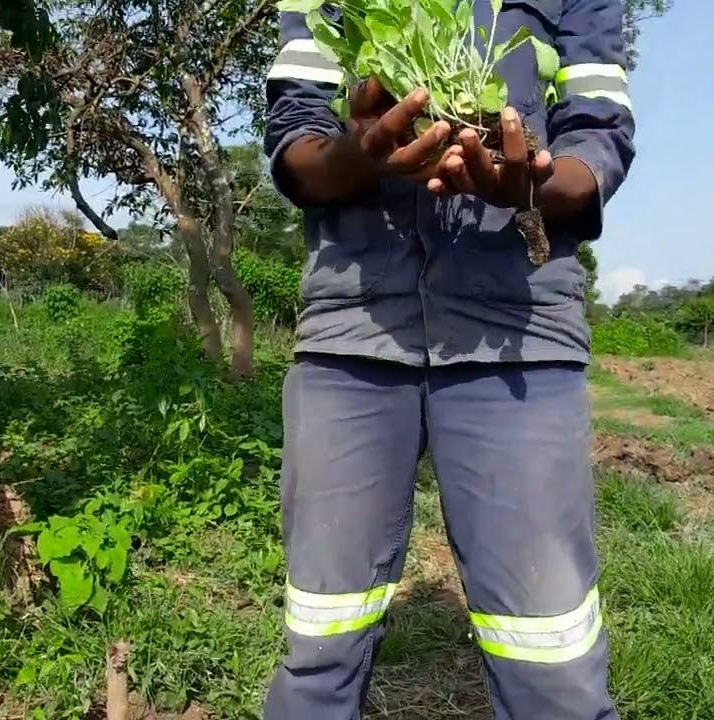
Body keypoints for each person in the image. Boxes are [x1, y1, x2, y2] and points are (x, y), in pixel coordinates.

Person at [261, 0, 635, 717]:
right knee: (320, 639)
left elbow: (599, 140)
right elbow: (296, 141)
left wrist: (527, 185)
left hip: (517, 330)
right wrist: (359, 155)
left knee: (549, 653)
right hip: (354, 327)